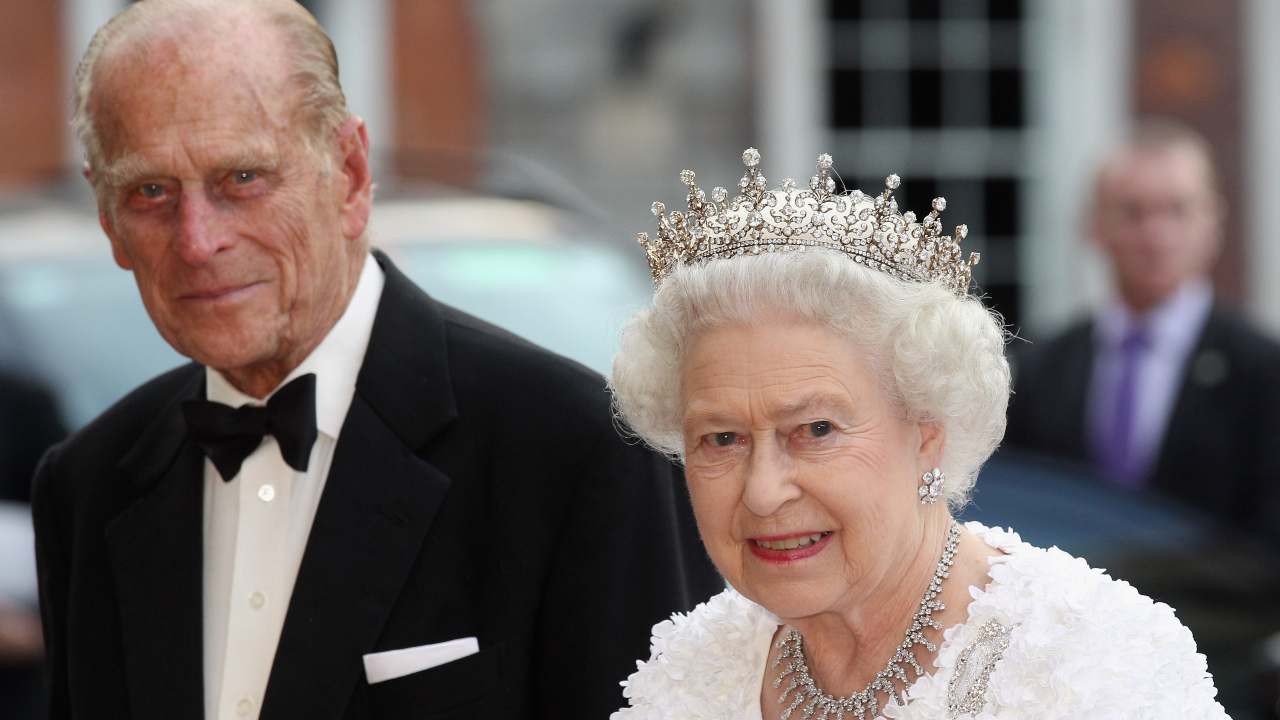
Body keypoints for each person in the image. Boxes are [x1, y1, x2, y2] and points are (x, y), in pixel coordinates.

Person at [32, 1, 720, 718]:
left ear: (351, 176)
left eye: (243, 178)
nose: (198, 240)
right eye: (150, 192)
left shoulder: (577, 450)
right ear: (109, 221)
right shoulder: (87, 485)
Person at [609, 149, 1227, 718]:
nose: (763, 492)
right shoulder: (691, 672)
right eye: (722, 439)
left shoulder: (1090, 664)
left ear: (928, 430)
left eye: (815, 429)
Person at [1005, 119, 1280, 542]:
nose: (1155, 234)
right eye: (1132, 212)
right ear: (1094, 224)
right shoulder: (1042, 367)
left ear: (1213, 222)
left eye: (1177, 210)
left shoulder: (1263, 370)